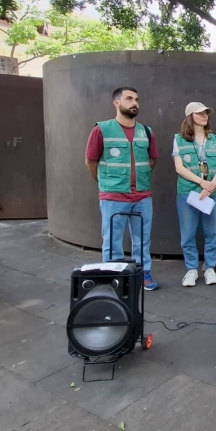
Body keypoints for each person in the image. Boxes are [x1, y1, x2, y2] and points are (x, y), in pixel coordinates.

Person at [85, 87, 160, 290]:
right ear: (116, 103)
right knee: (112, 240)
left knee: (143, 239)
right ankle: (114, 277)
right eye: (129, 98)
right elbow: (91, 161)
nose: (134, 102)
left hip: (142, 196)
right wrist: (106, 183)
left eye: (136, 99)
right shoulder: (101, 129)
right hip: (113, 196)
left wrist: (138, 178)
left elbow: (152, 159)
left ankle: (143, 274)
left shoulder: (146, 131)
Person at [173, 102, 216, 286]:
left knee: (211, 232)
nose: (205, 116)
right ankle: (191, 269)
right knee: (188, 233)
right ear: (190, 117)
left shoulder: (215, 139)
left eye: (206, 113)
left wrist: (210, 185)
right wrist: (201, 182)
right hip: (188, 193)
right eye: (200, 113)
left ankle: (210, 268)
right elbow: (179, 168)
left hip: (212, 192)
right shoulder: (179, 139)